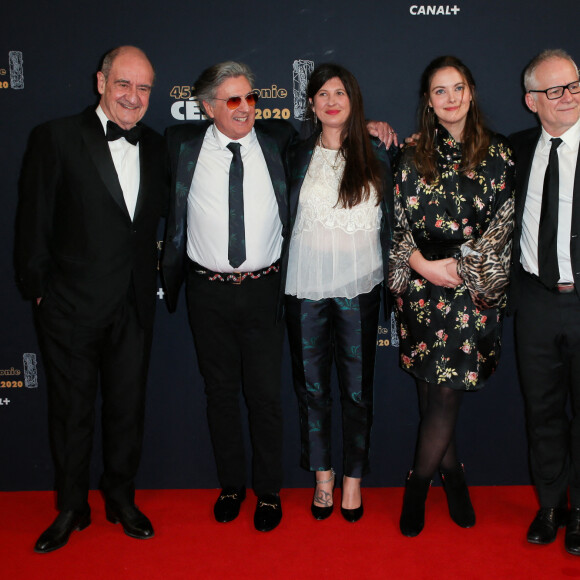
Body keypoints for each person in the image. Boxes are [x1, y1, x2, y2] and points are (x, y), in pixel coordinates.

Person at [15, 46, 168, 552]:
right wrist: (39, 293)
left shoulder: (158, 146)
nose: (133, 96)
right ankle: (72, 507)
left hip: (133, 304)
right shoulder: (55, 137)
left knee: (128, 409)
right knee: (71, 412)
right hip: (70, 306)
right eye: (124, 84)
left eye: (144, 88)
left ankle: (120, 498)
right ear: (101, 81)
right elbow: (32, 222)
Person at [162, 61, 295, 533]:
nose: (245, 108)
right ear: (208, 107)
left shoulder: (282, 140)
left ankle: (269, 492)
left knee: (265, 397)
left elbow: (337, 136)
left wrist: (375, 126)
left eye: (250, 98)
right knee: (219, 394)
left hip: (265, 291)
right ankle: (232, 485)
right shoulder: (180, 147)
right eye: (233, 100)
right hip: (207, 292)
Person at [388, 55, 515, 537]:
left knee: (443, 393)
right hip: (421, 290)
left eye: (457, 87)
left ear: (472, 91)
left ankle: (417, 483)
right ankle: (453, 475)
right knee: (430, 392)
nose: (451, 98)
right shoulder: (411, 155)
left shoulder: (500, 153)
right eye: (440, 90)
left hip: (470, 291)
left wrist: (460, 268)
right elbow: (396, 224)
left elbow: (503, 224)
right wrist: (422, 265)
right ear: (429, 100)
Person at [284, 63, 395, 523]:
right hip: (305, 288)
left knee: (356, 390)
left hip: (360, 287)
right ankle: (323, 478)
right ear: (310, 104)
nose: (331, 100)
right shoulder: (293, 153)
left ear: (353, 101)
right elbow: (245, 121)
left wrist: (376, 129)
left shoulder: (378, 151)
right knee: (312, 389)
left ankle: (353, 479)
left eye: (340, 93)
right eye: (322, 94)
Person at [509, 49, 580, 556]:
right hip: (533, 300)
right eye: (556, 90)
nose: (570, 96)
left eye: (576, 85)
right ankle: (552, 504)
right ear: (532, 101)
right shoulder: (514, 150)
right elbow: (459, 152)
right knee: (543, 411)